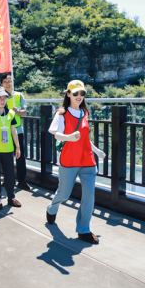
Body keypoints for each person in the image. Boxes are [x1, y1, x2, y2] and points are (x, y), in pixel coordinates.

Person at [46, 80, 106, 245]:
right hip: (69, 160)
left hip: (87, 160)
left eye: (82, 93)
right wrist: (68, 137)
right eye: (76, 93)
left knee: (89, 197)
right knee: (64, 194)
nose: (79, 96)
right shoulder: (62, 113)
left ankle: (83, 230)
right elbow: (56, 135)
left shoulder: (85, 113)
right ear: (68, 94)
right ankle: (52, 208)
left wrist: (97, 151)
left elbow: (85, 138)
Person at [1, 73, 30, 190]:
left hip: (17, 130)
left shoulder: (18, 95)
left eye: (10, 81)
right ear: (1, 84)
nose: (8, 84)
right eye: (5, 82)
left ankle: (22, 180)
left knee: (20, 156)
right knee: (6, 156)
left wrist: (16, 111)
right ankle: (9, 179)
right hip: (3, 131)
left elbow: (24, 111)